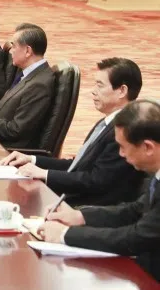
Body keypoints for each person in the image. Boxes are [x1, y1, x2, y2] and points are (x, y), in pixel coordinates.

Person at [40, 99, 160, 281]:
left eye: (122, 147)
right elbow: (135, 210)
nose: (120, 154)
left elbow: (137, 237)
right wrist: (80, 217)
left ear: (147, 147)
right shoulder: (154, 173)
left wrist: (65, 235)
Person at [0, 58, 145, 206]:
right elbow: (78, 165)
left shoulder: (125, 131)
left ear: (122, 91)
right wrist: (32, 159)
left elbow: (96, 181)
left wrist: (44, 174)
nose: (93, 91)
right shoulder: (106, 123)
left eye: (100, 85)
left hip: (87, 209)